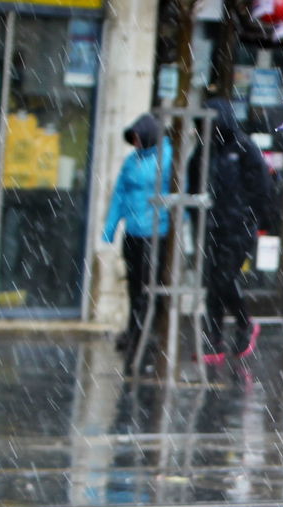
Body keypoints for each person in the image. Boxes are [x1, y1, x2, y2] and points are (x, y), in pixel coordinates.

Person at [190, 98, 270, 363]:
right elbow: (193, 180)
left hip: (237, 227)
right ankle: (214, 340)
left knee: (223, 278)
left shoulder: (243, 147)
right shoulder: (205, 150)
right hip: (211, 225)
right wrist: (198, 215)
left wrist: (250, 218)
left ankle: (244, 323)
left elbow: (262, 187)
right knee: (212, 282)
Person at [103, 113, 172, 354]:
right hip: (133, 232)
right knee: (135, 286)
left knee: (148, 286)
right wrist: (110, 228)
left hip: (155, 234)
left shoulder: (167, 158)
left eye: (138, 138)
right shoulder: (131, 162)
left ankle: (143, 333)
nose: (136, 144)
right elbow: (119, 195)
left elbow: (177, 191)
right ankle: (136, 330)